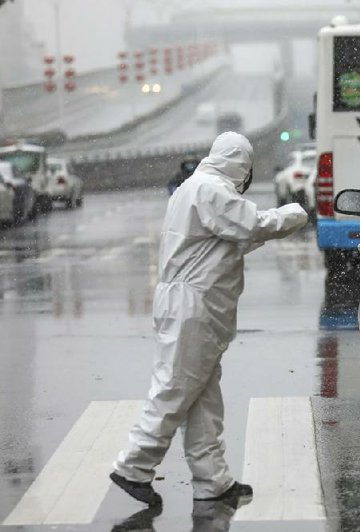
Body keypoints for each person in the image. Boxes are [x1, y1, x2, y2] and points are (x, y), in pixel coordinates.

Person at [110, 132, 308, 506]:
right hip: (193, 306)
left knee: (202, 398)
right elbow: (251, 225)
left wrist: (272, 227)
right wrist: (293, 213)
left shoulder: (194, 189)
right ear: (240, 165)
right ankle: (133, 466)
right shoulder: (209, 190)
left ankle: (212, 481)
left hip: (192, 304)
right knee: (176, 387)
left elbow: (232, 238)